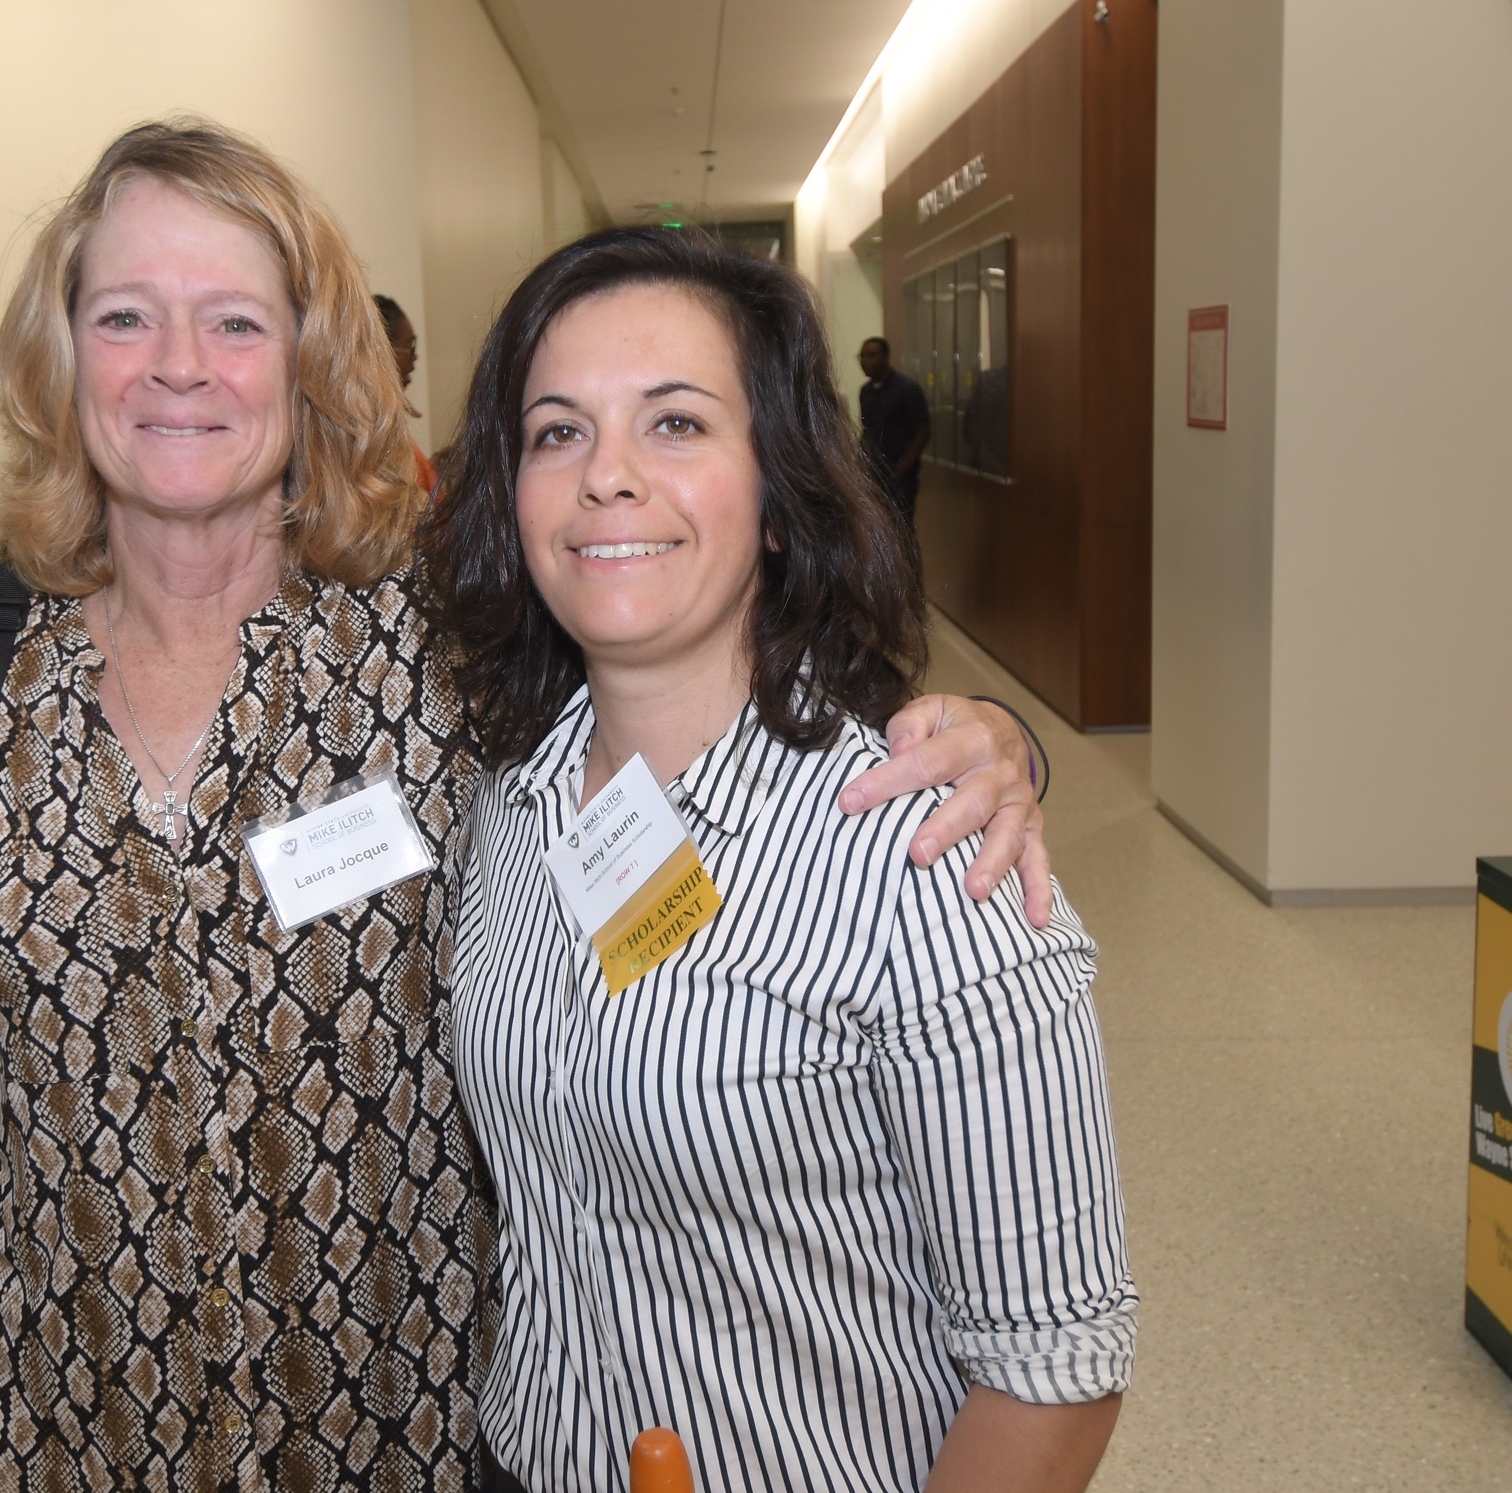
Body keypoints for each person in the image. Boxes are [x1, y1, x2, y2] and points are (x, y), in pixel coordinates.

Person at [0, 118, 1050, 1493]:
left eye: (233, 319)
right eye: (123, 317)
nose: (177, 366)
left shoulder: (442, 651)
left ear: (308, 359)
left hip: (401, 1429)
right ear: (61, 358)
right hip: (65, 1420)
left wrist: (996, 741)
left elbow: (686, 671)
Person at [424, 229, 1134, 1493]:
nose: (608, 478)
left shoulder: (921, 856)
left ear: (778, 491)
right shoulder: (504, 815)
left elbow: (1055, 1365)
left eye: (679, 423)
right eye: (557, 432)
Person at [858, 334, 931, 528]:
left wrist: (901, 469)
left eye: (871, 356)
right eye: (862, 357)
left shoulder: (907, 389)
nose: (865, 361)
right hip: (874, 474)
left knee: (901, 531)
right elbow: (868, 430)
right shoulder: (866, 392)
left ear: (886, 357)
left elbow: (923, 432)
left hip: (900, 476)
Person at [375, 292, 438, 491]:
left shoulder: (389, 430)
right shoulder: (373, 439)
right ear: (382, 348)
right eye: (410, 344)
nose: (415, 357)